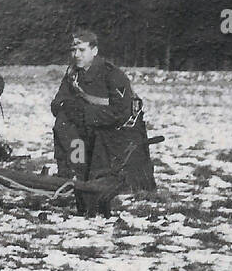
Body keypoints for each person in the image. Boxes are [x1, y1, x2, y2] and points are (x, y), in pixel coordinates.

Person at [50, 29, 156, 192]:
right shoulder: (73, 74)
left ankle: (96, 177)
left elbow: (120, 113)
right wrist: (68, 108)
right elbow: (58, 103)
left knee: (109, 173)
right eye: (73, 50)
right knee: (64, 123)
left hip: (118, 131)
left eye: (82, 50)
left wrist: (84, 113)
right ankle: (73, 172)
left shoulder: (112, 74)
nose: (77, 55)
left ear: (94, 51)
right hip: (90, 126)